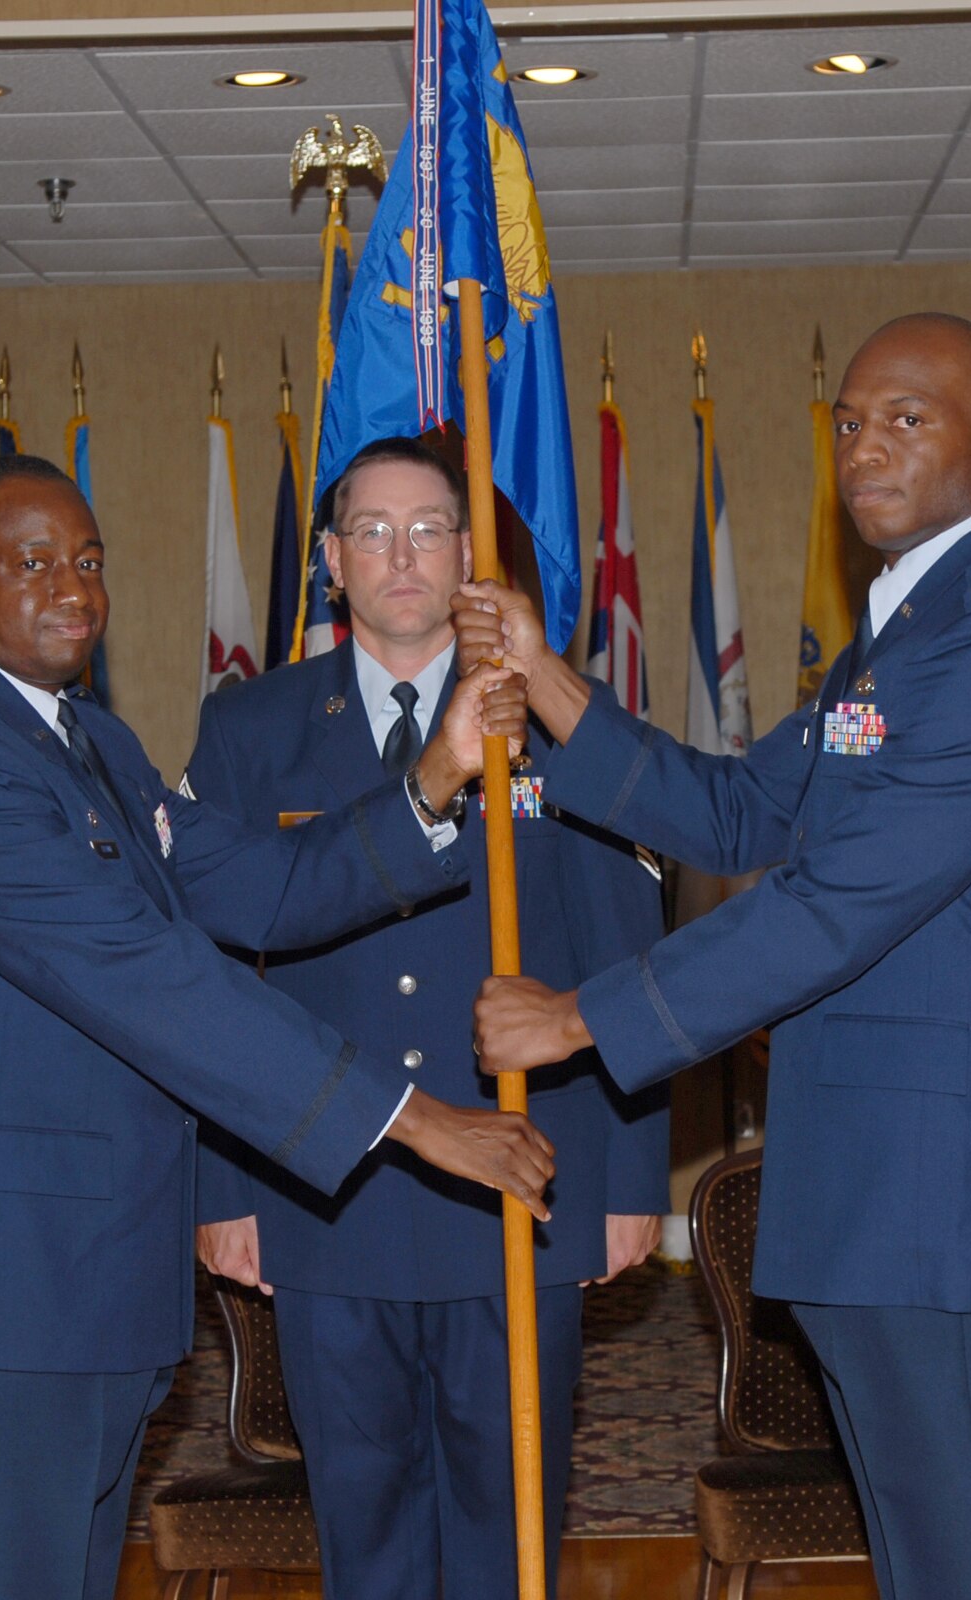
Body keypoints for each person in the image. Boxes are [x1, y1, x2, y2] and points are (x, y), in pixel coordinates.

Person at [463, 315, 971, 1600]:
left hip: (946, 1196)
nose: (863, 446)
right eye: (846, 420)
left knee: (966, 1563)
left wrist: (582, 1020)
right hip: (880, 1186)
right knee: (921, 1553)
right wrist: (544, 676)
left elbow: (837, 901)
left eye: (906, 418)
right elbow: (732, 814)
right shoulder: (900, 638)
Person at [0, 452, 557, 1600]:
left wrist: (441, 769)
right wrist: (410, 1121)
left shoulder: (88, 744)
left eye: (88, 560)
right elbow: (148, 977)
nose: (72, 588)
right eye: (33, 562)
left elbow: (268, 887)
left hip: (81, 1277)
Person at [186, 435, 668, 1600]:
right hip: (323, 1190)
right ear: (331, 565)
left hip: (524, 1186)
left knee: (508, 1519)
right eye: (370, 531)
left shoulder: (555, 718)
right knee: (362, 1515)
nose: (400, 554)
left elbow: (623, 957)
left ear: (469, 558)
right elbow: (209, 972)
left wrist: (630, 1180)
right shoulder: (250, 729)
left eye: (428, 529)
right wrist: (224, 1186)